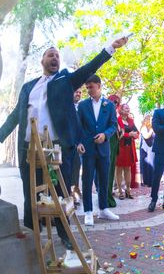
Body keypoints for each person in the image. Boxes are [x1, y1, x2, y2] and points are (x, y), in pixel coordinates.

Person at [0, 37, 127, 248]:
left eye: (57, 56)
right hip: (28, 148)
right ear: (42, 60)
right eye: (51, 54)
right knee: (31, 193)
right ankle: (33, 236)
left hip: (57, 147)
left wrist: (110, 49)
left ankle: (64, 234)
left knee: (60, 193)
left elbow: (88, 68)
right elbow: (15, 116)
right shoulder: (28, 87)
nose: (55, 58)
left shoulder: (65, 80)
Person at [76, 75, 119, 225]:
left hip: (103, 149)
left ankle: (103, 209)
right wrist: (78, 143)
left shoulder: (109, 105)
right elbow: (78, 127)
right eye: (87, 88)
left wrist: (105, 135)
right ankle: (88, 211)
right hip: (87, 150)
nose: (88, 90)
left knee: (104, 180)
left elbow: (114, 125)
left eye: (91, 87)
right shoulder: (82, 106)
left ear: (99, 86)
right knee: (87, 180)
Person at [115, 103, 138, 200]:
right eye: (126, 108)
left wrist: (135, 134)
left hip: (129, 148)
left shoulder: (131, 120)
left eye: (129, 107)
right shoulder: (117, 120)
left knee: (128, 169)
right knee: (119, 170)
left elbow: (137, 132)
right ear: (121, 109)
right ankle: (120, 191)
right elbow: (117, 133)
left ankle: (128, 190)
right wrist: (129, 134)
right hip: (120, 148)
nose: (128, 109)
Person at [70, 88, 83, 205]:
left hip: (78, 144)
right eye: (76, 92)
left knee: (76, 168)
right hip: (66, 143)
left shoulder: (81, 107)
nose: (78, 93)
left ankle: (75, 191)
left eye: (80, 92)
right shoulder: (66, 106)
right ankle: (68, 195)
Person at [139, 114, 154, 187]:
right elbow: (146, 136)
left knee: (151, 165)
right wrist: (151, 130)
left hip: (151, 149)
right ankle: (145, 182)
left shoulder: (151, 128)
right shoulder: (143, 128)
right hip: (145, 150)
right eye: (150, 119)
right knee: (145, 165)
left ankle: (150, 181)